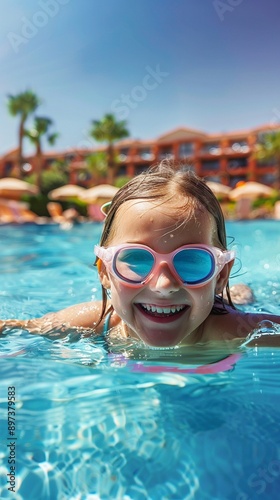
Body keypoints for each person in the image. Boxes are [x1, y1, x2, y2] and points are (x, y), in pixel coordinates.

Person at [1, 161, 279, 361]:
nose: (164, 285)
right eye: (136, 259)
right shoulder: (94, 321)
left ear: (220, 276)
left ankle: (237, 293)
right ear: (105, 272)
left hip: (224, 306)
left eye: (192, 261)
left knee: (240, 298)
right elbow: (17, 328)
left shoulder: (237, 332)